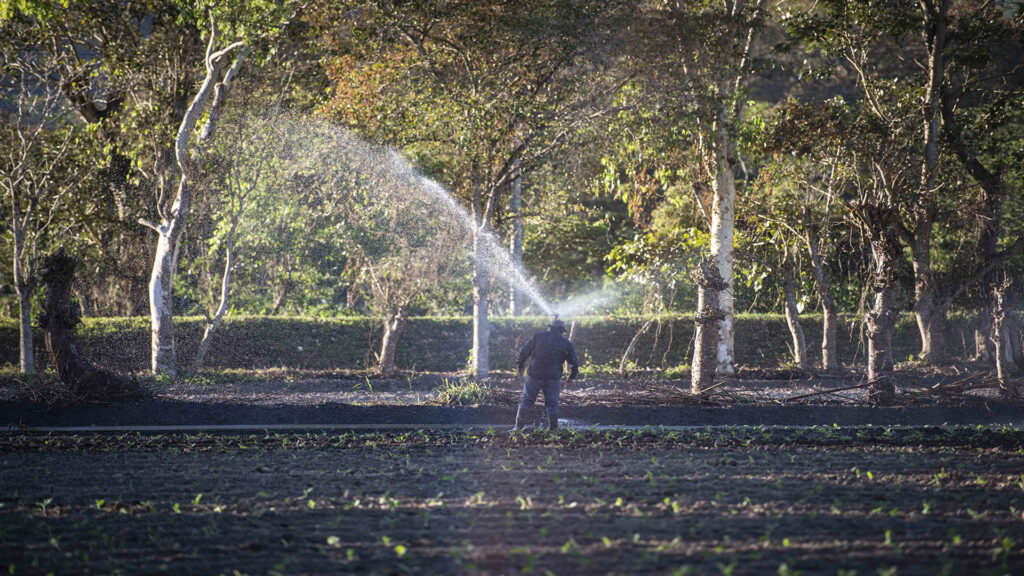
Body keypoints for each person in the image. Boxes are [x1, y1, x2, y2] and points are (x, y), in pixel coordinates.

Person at [514, 317, 580, 430]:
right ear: (561, 330)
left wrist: (520, 366)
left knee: (526, 400)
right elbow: (574, 362)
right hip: (553, 378)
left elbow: (524, 351)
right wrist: (571, 377)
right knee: (552, 404)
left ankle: (518, 427)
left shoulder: (538, 336)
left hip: (534, 374)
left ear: (549, 327)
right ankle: (553, 430)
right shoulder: (566, 342)